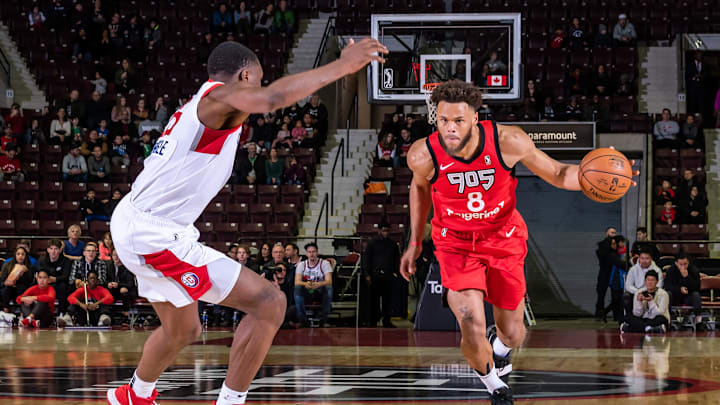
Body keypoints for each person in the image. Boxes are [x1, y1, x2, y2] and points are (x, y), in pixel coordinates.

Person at [106, 39, 387, 405]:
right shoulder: (217, 100)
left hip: (140, 222)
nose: (257, 88)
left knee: (184, 329)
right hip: (152, 234)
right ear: (244, 75)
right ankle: (230, 402)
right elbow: (269, 99)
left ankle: (134, 395)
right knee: (269, 302)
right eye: (256, 80)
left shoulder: (199, 105)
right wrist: (344, 66)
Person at [398, 80, 637, 405]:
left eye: (458, 121)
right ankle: (494, 384)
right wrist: (414, 241)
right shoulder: (423, 154)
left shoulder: (507, 141)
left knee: (513, 332)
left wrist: (592, 178)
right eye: (443, 120)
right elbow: (420, 189)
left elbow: (556, 172)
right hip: (455, 244)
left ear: (475, 118)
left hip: (503, 239)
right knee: (469, 317)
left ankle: (501, 349)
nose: (450, 129)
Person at [363, 223, 401, 328]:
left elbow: (396, 260)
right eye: (384, 230)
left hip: (388, 275)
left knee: (387, 300)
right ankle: (373, 321)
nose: (386, 232)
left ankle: (387, 321)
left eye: (387, 230)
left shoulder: (393, 244)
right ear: (379, 230)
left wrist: (395, 273)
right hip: (374, 275)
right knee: (373, 300)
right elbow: (366, 260)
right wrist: (367, 274)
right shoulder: (372, 243)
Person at [293, 242, 333, 327]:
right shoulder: (302, 265)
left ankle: (324, 320)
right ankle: (303, 320)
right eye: (309, 252)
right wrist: (305, 284)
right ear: (306, 253)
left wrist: (320, 284)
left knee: (329, 288)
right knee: (297, 288)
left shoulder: (325, 263)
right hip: (308, 290)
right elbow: (297, 281)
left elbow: (329, 281)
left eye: (314, 251)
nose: (312, 254)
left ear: (317, 253)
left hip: (320, 291)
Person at [664, 254, 702, 326]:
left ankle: (698, 321)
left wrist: (687, 277)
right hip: (675, 296)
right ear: (676, 263)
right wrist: (679, 289)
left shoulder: (694, 270)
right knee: (667, 294)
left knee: (696, 295)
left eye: (685, 264)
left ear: (688, 263)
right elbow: (667, 286)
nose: (683, 266)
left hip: (688, 296)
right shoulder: (671, 270)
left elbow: (697, 287)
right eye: (680, 264)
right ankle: (667, 320)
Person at [623, 251, 662, 322]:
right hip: (636, 293)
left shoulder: (657, 270)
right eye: (642, 258)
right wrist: (638, 292)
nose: (644, 261)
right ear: (639, 258)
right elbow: (628, 285)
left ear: (651, 259)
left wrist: (646, 292)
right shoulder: (633, 269)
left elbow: (659, 285)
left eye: (647, 258)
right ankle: (629, 320)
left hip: (652, 293)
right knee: (626, 296)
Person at [37, 238, 72, 314]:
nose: (53, 251)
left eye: (56, 249)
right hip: (45, 283)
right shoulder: (42, 260)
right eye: (51, 249)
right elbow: (39, 273)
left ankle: (62, 313)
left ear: (60, 250)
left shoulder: (66, 261)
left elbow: (66, 276)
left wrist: (55, 279)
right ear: (48, 250)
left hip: (58, 283)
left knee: (64, 286)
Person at [0, 246, 35, 312]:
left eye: (22, 254)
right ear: (15, 255)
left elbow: (30, 281)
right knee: (7, 289)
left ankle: (23, 314)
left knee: (22, 287)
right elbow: (2, 280)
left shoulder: (29, 267)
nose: (20, 256)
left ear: (25, 256)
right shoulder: (8, 265)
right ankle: (5, 312)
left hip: (23, 290)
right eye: (18, 254)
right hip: (10, 290)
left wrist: (24, 272)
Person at [107, 249, 138, 320]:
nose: (116, 257)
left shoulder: (127, 267)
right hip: (114, 290)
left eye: (118, 255)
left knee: (123, 290)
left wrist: (119, 285)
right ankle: (108, 314)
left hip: (127, 290)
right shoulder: (109, 266)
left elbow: (130, 284)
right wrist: (109, 284)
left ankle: (126, 315)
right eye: (114, 255)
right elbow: (106, 280)